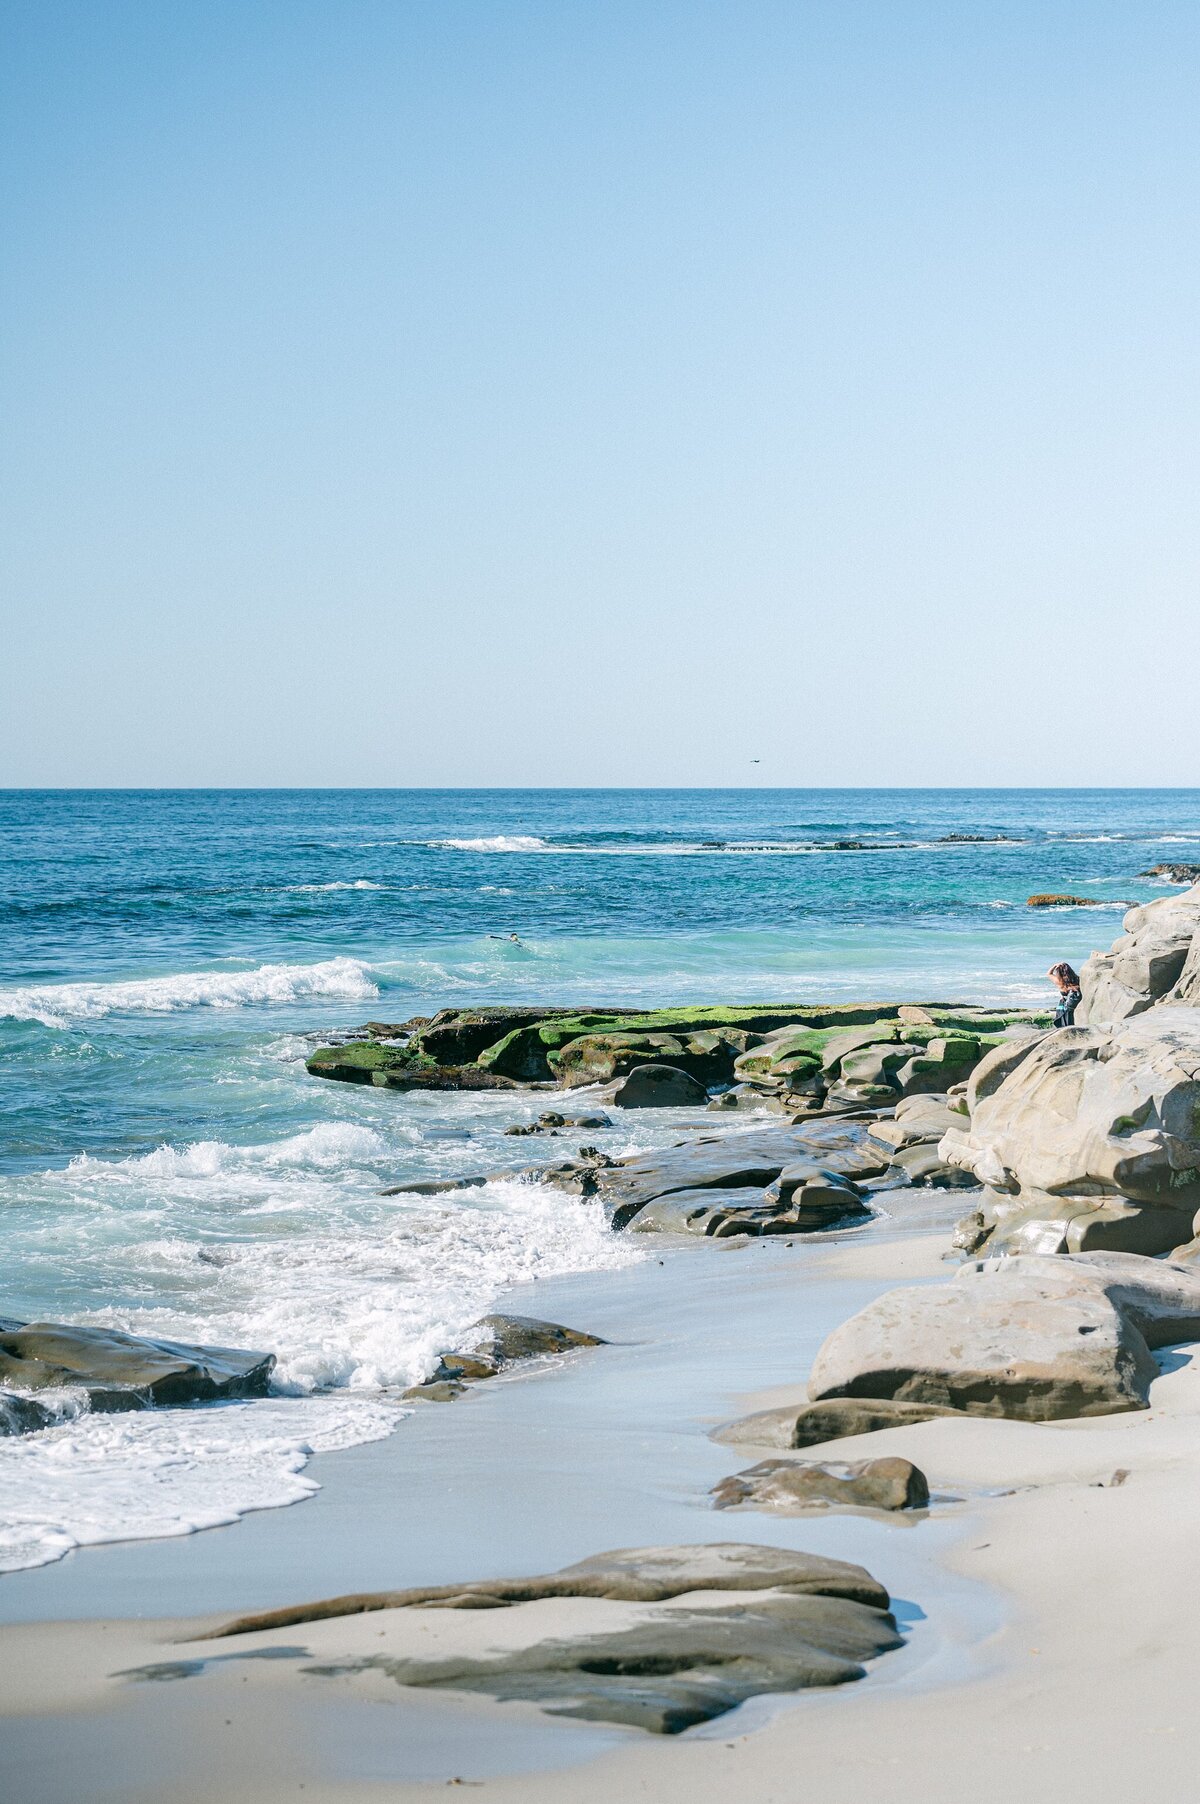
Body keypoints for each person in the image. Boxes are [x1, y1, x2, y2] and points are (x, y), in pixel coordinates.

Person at [1048, 961, 1082, 1027]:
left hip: (1063, 1006)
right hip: (1074, 1005)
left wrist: (1055, 965)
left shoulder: (1059, 981)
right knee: (1071, 1022)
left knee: (1062, 1024)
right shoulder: (1077, 979)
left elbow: (1049, 974)